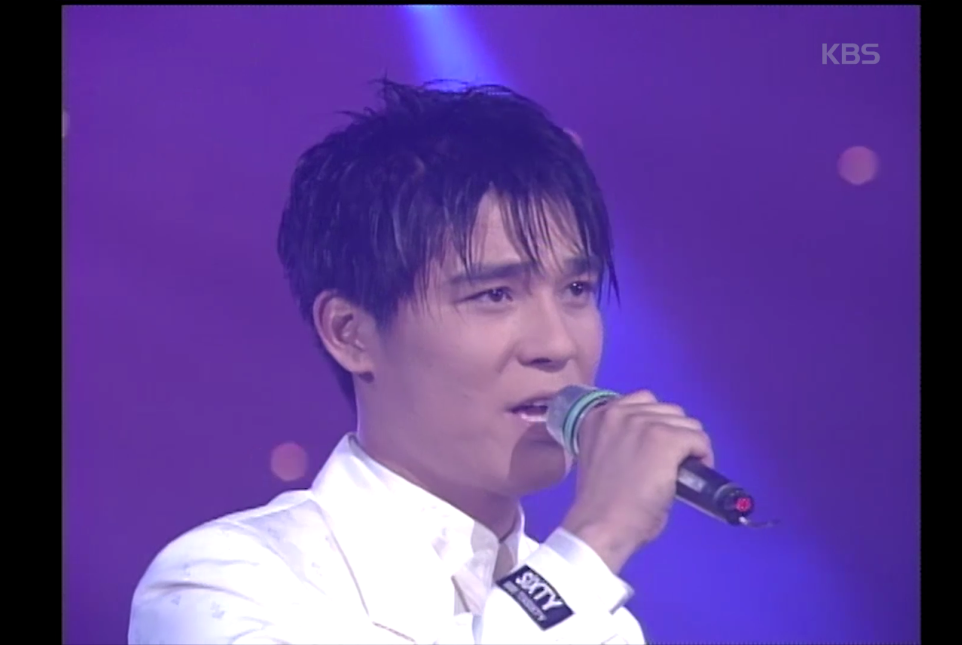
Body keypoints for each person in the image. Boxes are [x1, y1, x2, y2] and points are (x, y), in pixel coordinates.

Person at [128, 79, 715, 645]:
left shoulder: (601, 621)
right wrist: (598, 536)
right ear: (350, 333)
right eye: (495, 294)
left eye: (577, 289)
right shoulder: (225, 583)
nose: (557, 344)